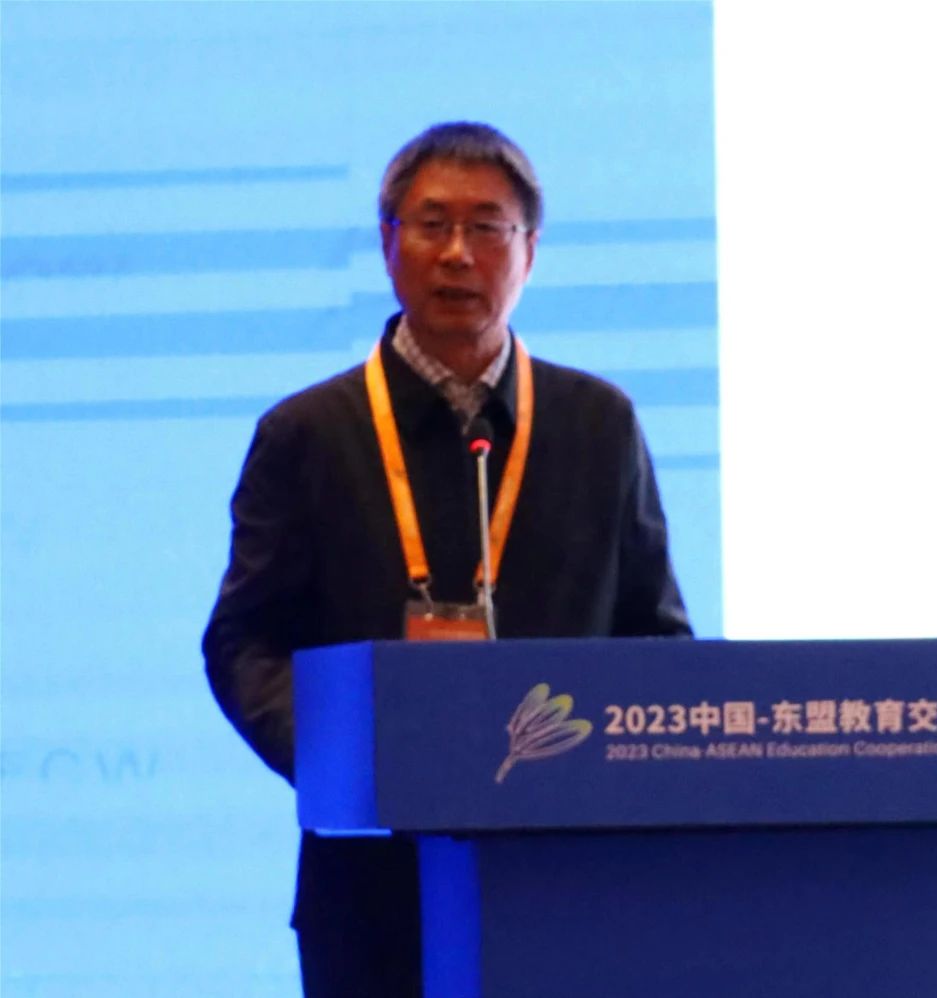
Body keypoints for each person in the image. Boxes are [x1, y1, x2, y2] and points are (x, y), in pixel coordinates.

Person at [202, 121, 691, 996]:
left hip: (569, 880)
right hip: (371, 883)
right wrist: (350, 762)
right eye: (432, 225)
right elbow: (244, 644)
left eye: (488, 227)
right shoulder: (307, 434)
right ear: (389, 244)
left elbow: (657, 642)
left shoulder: (598, 424)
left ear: (530, 251)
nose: (458, 253)